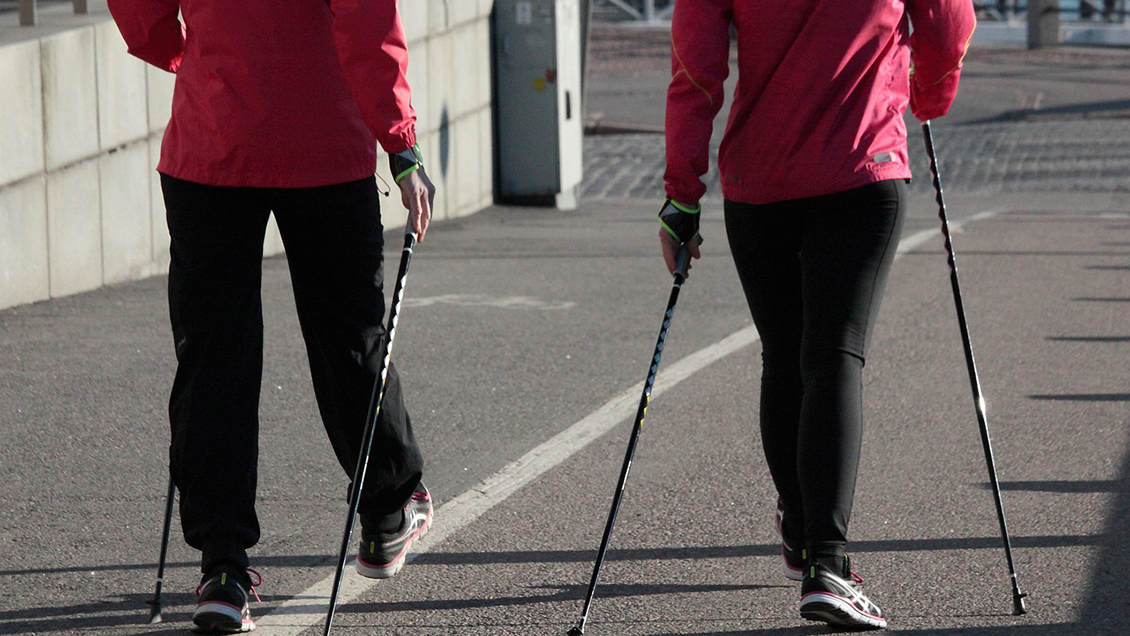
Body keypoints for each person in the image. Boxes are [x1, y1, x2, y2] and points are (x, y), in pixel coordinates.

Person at [107, 1, 437, 632]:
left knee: (213, 359)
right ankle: (388, 505)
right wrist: (401, 145)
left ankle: (222, 566)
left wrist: (185, 53)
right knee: (349, 337)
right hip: (323, 141)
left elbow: (140, 12)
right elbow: (368, 23)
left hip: (212, 136)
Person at [659, 0, 975, 629]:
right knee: (833, 353)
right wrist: (930, 95)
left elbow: (696, 66)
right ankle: (827, 565)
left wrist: (681, 193)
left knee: (786, 358)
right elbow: (948, 24)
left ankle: (805, 535)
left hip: (759, 179)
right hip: (862, 168)